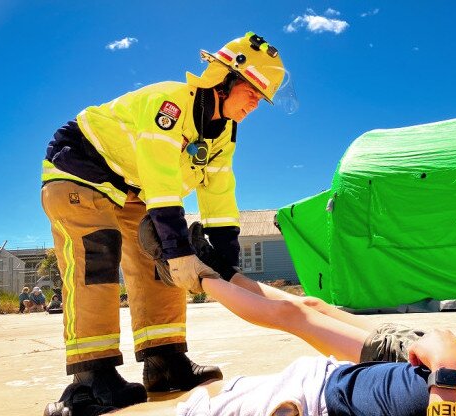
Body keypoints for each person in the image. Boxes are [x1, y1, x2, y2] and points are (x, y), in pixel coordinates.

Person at [40, 31, 291, 409]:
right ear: (222, 80)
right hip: (80, 168)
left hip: (135, 188)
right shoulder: (171, 103)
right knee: (97, 258)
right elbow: (160, 177)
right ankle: (90, 378)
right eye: (252, 92)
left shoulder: (224, 132)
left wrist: (226, 265)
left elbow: (219, 194)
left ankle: (165, 360)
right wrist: (178, 248)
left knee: (160, 264)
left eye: (262, 98)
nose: (256, 104)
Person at [47, 307, 456, 416]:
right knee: (302, 314)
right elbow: (442, 346)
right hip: (322, 386)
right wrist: (448, 384)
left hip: (311, 399)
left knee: (300, 314)